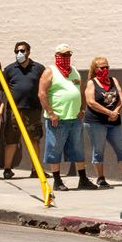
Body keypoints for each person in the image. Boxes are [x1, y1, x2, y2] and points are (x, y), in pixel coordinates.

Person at [38, 43, 94, 192]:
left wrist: (82, 108)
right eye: (63, 55)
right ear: (57, 56)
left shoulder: (74, 71)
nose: (66, 58)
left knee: (78, 149)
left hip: (74, 118)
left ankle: (83, 179)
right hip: (57, 119)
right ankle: (57, 180)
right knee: (54, 149)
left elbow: (80, 91)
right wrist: (51, 113)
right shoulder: (50, 71)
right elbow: (42, 93)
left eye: (69, 55)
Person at [83, 56, 122, 189]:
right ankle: (100, 178)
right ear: (95, 69)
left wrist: (116, 111)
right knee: (98, 149)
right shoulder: (92, 83)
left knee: (121, 148)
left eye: (107, 67)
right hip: (96, 121)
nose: (105, 70)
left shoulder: (113, 80)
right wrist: (109, 113)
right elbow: (91, 102)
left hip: (114, 121)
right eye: (102, 67)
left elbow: (120, 97)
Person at [2, 41, 46, 179]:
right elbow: (3, 88)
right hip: (14, 110)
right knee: (11, 140)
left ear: (28, 52)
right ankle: (7, 169)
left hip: (33, 109)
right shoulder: (9, 69)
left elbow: (44, 87)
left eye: (22, 51)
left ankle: (36, 169)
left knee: (34, 140)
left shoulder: (39, 68)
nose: (19, 54)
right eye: (16, 51)